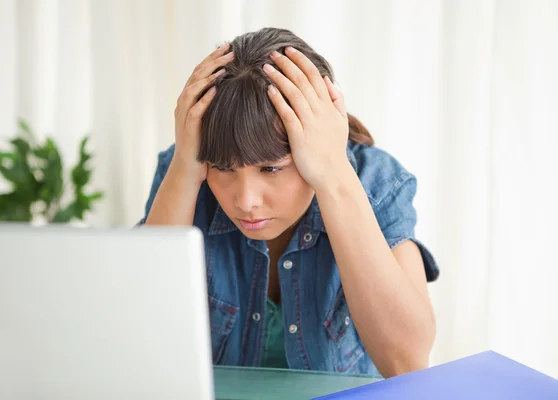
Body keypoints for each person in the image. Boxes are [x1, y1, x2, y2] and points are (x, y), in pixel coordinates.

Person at [138, 27, 439, 378]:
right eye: (223, 168)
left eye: (271, 168)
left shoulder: (378, 182)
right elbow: (138, 340)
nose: (246, 201)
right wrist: (184, 172)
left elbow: (407, 363)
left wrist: (334, 178)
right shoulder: (186, 172)